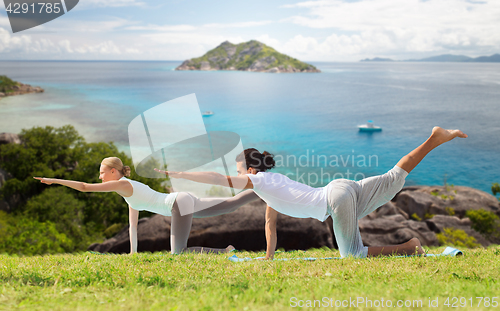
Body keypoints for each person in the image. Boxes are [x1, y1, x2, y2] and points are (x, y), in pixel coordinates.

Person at [155, 127, 468, 259]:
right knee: (394, 176)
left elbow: (218, 178)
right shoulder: (273, 184)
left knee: (354, 255)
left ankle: (411, 247)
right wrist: (267, 257)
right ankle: (435, 138)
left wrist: (179, 173)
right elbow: (269, 224)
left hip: (335, 199)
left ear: (250, 170)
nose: (237, 177)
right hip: (342, 189)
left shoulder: (260, 181)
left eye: (239, 172)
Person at [34, 157, 260, 254]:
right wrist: (133, 252)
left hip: (178, 205)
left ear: (114, 171)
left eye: (102, 173)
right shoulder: (128, 192)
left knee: (177, 254)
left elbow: (84, 187)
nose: (100, 177)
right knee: (230, 204)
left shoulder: (121, 185)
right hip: (182, 200)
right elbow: (133, 227)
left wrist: (55, 180)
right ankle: (265, 189)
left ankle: (225, 252)